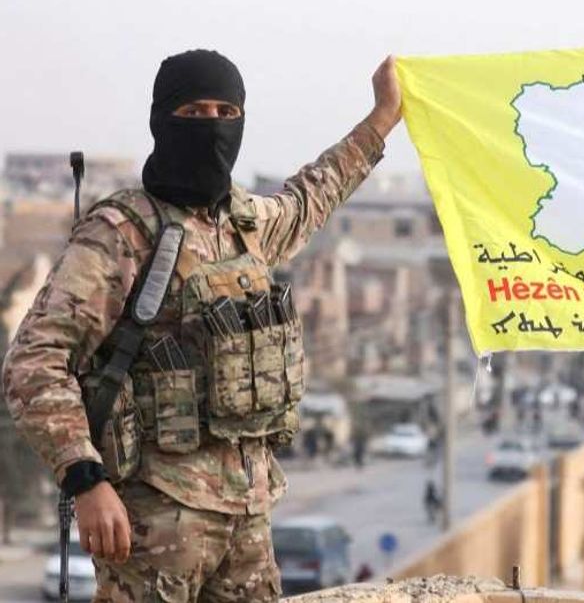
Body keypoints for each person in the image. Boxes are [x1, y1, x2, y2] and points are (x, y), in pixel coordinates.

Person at [1, 49, 405, 601]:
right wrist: (84, 478)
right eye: (193, 113)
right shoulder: (122, 233)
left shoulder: (246, 225)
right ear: (162, 120)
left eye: (226, 112)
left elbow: (315, 192)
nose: (212, 125)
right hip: (151, 521)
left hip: (248, 519)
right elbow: (34, 360)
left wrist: (383, 117)